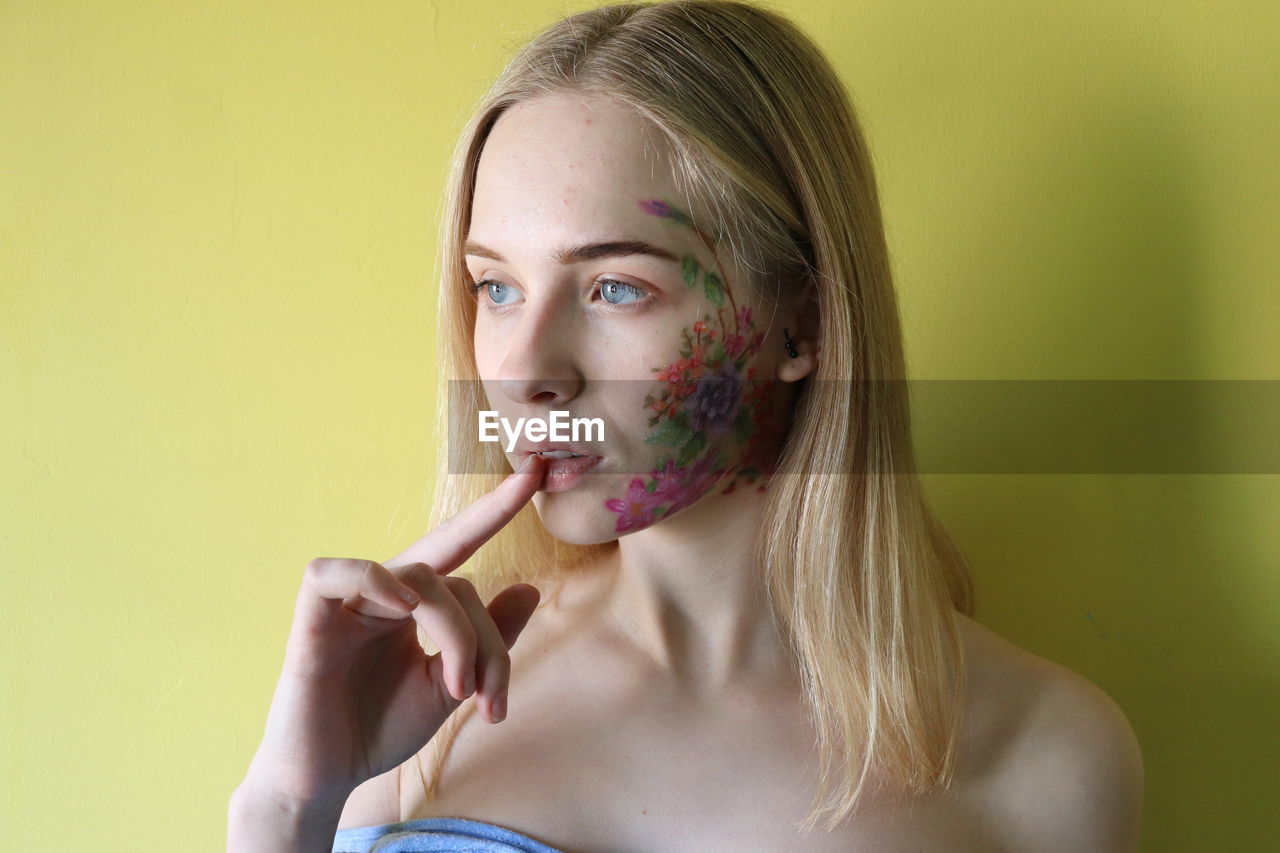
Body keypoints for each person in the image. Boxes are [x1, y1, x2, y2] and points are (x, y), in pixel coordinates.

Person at [227, 1, 1145, 851]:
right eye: (495, 287)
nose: (527, 372)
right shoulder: (413, 704)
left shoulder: (1044, 754)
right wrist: (287, 808)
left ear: (806, 325)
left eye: (615, 287)